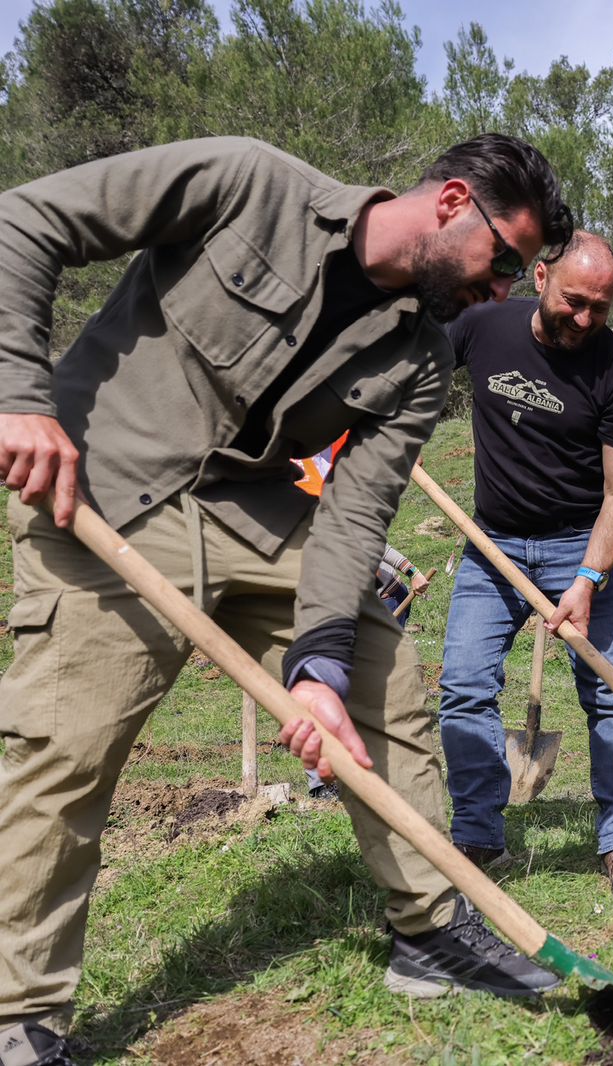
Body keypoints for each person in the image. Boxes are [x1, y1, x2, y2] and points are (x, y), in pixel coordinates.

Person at [0, 133, 576, 1061]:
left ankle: (428, 928)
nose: (504, 289)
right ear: (451, 201)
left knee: (383, 669)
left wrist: (319, 664)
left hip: (252, 509)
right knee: (65, 747)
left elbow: (354, 515)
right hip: (107, 486)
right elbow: (23, 219)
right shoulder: (248, 182)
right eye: (504, 258)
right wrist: (18, 394)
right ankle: (19, 1021)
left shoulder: (423, 360)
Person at [437, 230, 613, 895]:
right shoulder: (481, 326)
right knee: (465, 685)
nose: (586, 319)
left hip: (580, 544)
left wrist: (589, 579)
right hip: (494, 544)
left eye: (601, 306)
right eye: (574, 301)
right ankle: (477, 832)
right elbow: (410, 374)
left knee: (612, 693)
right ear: (540, 277)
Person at [292, 435, 433, 801]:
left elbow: (375, 543)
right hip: (332, 607)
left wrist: (412, 572)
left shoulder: (337, 489)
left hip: (385, 599)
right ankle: (323, 780)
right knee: (327, 686)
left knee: (381, 687)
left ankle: (379, 767)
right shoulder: (298, 502)